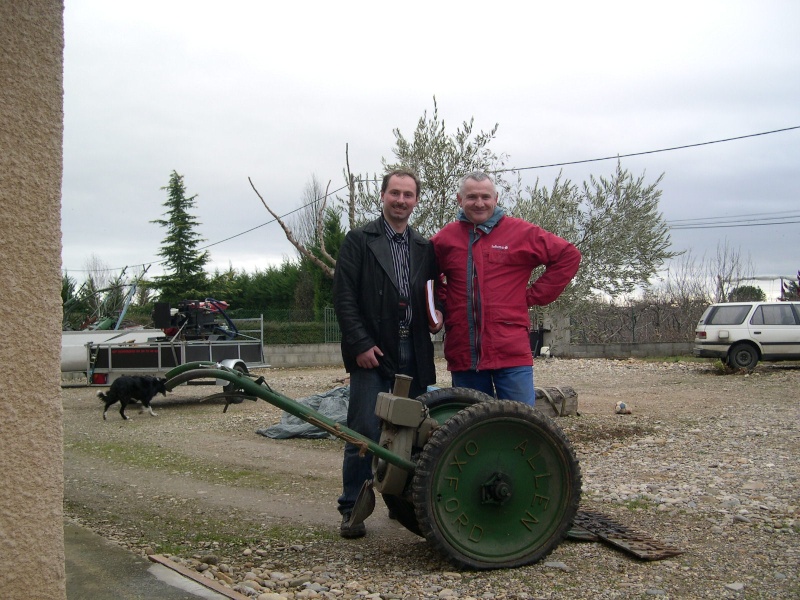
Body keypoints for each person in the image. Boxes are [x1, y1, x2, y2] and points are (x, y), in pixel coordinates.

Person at [333, 169, 442, 538]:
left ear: (415, 201)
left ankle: (402, 506)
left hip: (414, 351)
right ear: (382, 196)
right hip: (373, 354)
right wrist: (360, 344)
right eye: (394, 193)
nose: (401, 200)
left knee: (412, 435)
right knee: (363, 432)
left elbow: (432, 295)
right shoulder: (359, 241)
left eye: (408, 195)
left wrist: (437, 313)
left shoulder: (425, 248)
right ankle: (352, 509)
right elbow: (344, 298)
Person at [431, 171, 580, 405]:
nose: (479, 203)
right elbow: (428, 276)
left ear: (496, 198)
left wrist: (533, 296)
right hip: (464, 353)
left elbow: (568, 255)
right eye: (471, 197)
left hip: (510, 352)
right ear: (460, 200)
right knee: (472, 426)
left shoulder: (520, 232)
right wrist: (444, 303)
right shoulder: (446, 238)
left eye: (485, 197)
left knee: (520, 423)